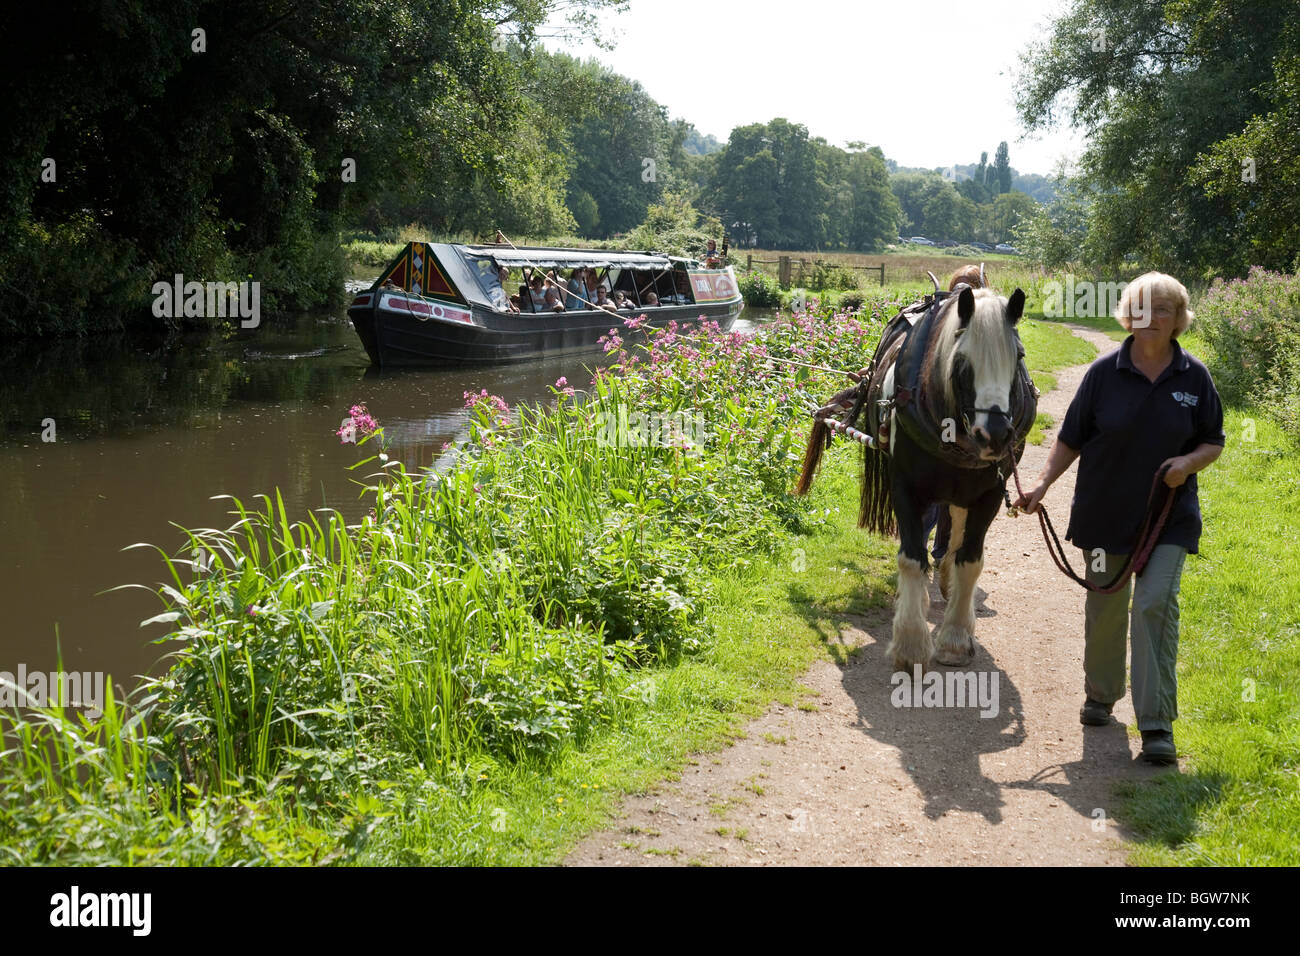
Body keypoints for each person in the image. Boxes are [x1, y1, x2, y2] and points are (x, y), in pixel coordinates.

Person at [1014, 272, 1225, 765]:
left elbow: (1213, 439)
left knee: (1154, 604)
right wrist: (1043, 483)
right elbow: (1070, 437)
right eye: (1140, 309)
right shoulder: (1103, 373)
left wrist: (1189, 464)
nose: (1150, 319)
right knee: (1107, 607)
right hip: (1105, 511)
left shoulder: (1194, 378)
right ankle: (1101, 696)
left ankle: (1156, 723)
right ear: (1128, 314)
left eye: (1163, 310)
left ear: (1179, 320)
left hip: (1167, 517)